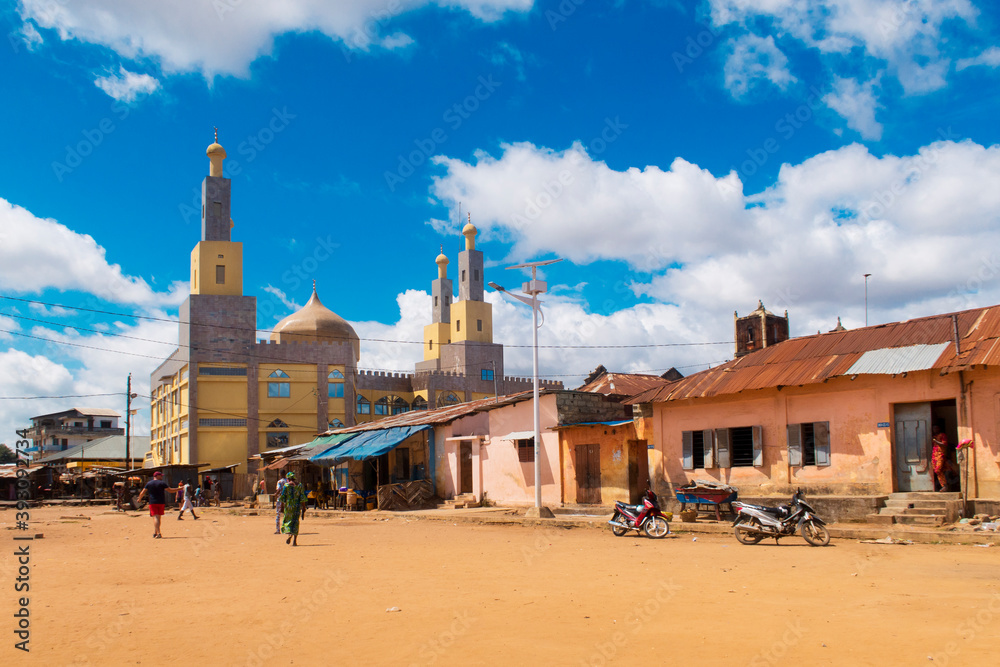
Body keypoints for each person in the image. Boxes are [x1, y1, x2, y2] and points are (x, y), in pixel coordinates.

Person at [137, 471, 180, 538]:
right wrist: (179, 489)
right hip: (161, 502)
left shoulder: (149, 483)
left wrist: (139, 499)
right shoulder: (162, 483)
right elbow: (170, 490)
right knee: (158, 518)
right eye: (161, 476)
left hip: (153, 502)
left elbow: (142, 492)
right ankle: (155, 532)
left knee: (155, 517)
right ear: (157, 476)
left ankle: (158, 533)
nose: (162, 477)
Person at [278, 471, 307, 546]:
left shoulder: (286, 486)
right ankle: (295, 540)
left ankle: (289, 534)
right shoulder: (299, 485)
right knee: (296, 522)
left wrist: (281, 507)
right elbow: (302, 497)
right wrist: (303, 507)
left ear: (288, 478)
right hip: (297, 507)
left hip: (289, 507)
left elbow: (283, 497)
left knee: (288, 521)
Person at [931, 424, 950, 492]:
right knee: (936, 471)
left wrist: (936, 441)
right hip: (934, 455)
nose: (935, 430)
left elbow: (944, 445)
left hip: (940, 454)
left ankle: (945, 485)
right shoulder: (933, 436)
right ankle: (943, 485)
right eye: (934, 428)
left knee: (938, 470)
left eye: (936, 428)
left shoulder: (942, 435)